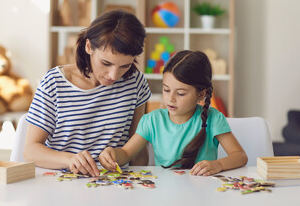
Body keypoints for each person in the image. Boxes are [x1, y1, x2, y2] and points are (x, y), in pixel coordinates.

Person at [24, 10, 151, 176]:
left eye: (125, 66)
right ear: (89, 46)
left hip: (116, 183)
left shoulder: (135, 83)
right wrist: (70, 160)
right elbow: (31, 151)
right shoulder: (54, 83)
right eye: (106, 63)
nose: (113, 75)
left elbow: (138, 149)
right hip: (63, 180)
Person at [99, 50, 248, 176]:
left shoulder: (213, 118)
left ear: (201, 95)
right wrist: (112, 153)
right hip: (164, 193)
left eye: (181, 93)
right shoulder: (152, 120)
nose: (170, 98)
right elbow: (126, 153)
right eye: (166, 89)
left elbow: (240, 156)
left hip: (203, 192)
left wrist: (218, 164)